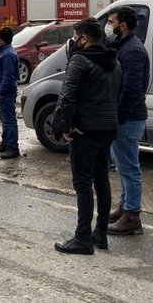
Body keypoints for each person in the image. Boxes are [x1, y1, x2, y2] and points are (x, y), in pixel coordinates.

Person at [52, 18, 121, 254]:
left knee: (83, 184)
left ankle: (82, 237)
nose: (73, 40)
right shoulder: (114, 62)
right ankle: (100, 233)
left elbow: (67, 96)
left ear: (83, 37)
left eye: (75, 35)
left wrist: (65, 126)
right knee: (101, 181)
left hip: (85, 131)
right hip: (108, 129)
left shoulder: (80, 61)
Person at [105, 6, 150, 236]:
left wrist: (118, 118)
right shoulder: (123, 46)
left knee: (129, 169)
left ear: (122, 26)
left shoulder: (132, 51)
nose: (108, 25)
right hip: (125, 117)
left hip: (128, 119)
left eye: (111, 22)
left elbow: (132, 90)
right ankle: (125, 207)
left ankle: (132, 216)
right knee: (123, 167)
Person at [0, 27, 20, 159]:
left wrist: (1, 91)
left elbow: (8, 76)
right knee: (4, 119)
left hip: (6, 93)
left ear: (2, 39)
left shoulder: (8, 54)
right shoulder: (3, 52)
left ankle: (13, 147)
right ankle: (6, 142)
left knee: (9, 120)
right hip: (1, 92)